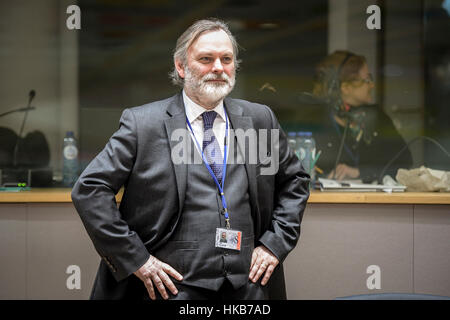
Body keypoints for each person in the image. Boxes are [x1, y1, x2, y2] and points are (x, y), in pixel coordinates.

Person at [71, 18, 310, 300]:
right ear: (181, 66)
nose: (219, 68)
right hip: (172, 290)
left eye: (227, 59)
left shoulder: (259, 120)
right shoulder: (142, 124)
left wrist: (274, 244)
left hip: (248, 288)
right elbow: (90, 190)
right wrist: (137, 260)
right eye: (206, 59)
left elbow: (295, 182)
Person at [310, 50, 413, 182]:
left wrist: (361, 172)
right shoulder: (317, 121)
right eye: (367, 80)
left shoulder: (377, 118)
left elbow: (405, 162)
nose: (372, 85)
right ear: (345, 87)